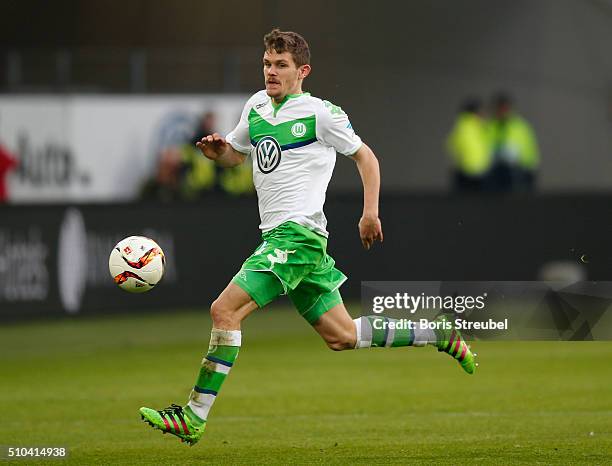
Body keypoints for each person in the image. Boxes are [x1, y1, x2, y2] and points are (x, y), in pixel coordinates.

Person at [139, 28, 476, 446]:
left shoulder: (320, 113)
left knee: (224, 311)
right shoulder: (257, 106)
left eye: (281, 65)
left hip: (296, 237)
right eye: (267, 63)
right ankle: (438, 334)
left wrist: (370, 212)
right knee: (342, 336)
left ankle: (194, 415)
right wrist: (219, 153)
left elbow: (366, 156)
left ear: (303, 71)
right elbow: (236, 154)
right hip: (287, 239)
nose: (272, 72)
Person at [487, 92, 540, 192]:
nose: (502, 111)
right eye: (500, 108)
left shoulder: (520, 126)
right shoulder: (489, 126)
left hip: (518, 170)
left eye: (505, 108)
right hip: (495, 171)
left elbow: (529, 149)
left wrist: (529, 168)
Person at [446, 97, 493, 193]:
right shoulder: (472, 127)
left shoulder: (464, 126)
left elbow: (451, 146)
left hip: (469, 171)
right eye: (481, 111)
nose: (484, 114)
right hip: (472, 172)